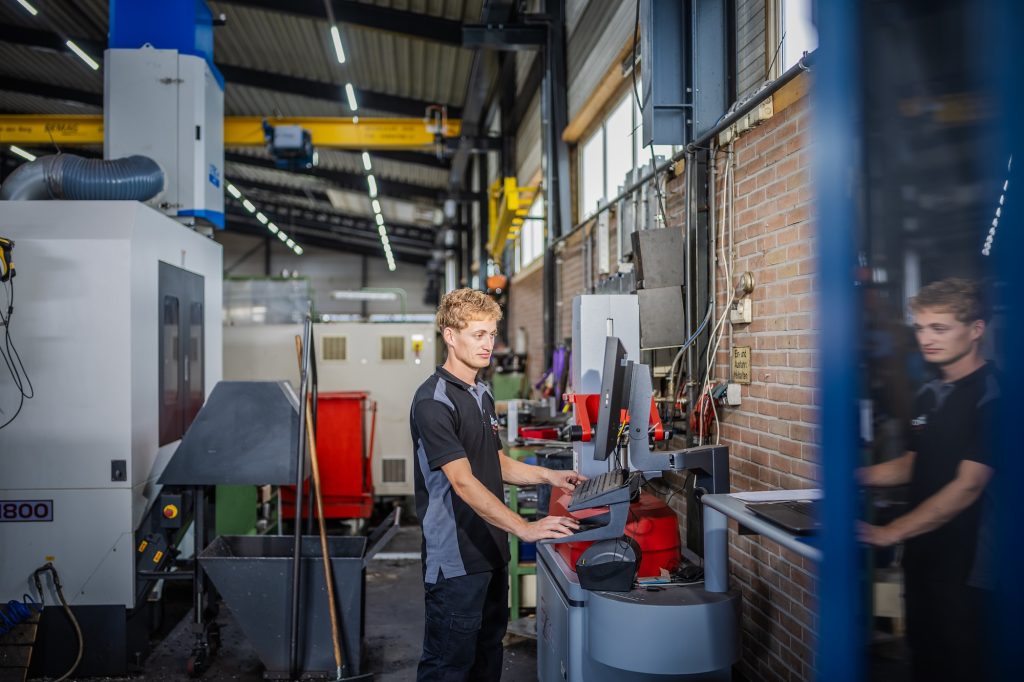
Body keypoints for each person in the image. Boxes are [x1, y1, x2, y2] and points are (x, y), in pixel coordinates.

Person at [410, 288, 586, 681]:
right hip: (455, 560)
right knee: (448, 666)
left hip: (491, 550)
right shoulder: (433, 402)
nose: (488, 344)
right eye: (477, 334)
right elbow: (463, 482)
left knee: (488, 655)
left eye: (491, 334)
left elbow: (494, 461)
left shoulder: (481, 393)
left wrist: (548, 475)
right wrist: (525, 528)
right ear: (449, 336)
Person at [858, 278, 998, 682]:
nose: (926, 338)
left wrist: (890, 533)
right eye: (920, 327)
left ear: (975, 330)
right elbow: (912, 464)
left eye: (939, 328)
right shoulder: (931, 391)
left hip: (972, 565)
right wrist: (853, 477)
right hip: (924, 554)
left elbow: (969, 484)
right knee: (924, 654)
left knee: (964, 661)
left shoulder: (995, 394)